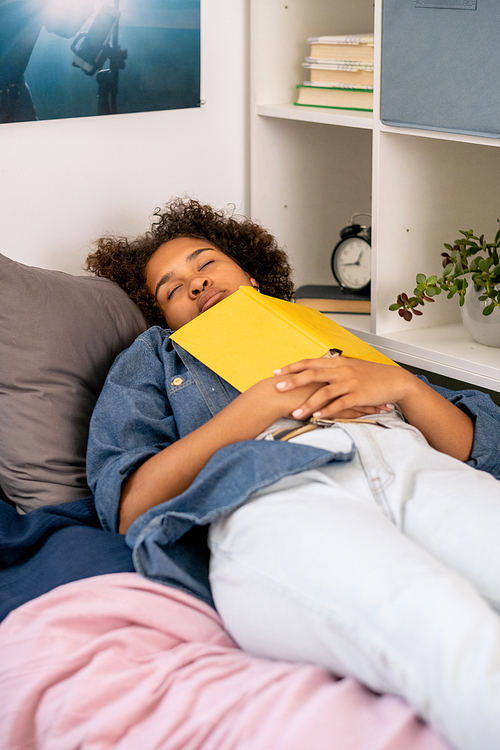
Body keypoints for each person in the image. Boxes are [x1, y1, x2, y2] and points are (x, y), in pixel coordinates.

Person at [86, 197, 500, 750]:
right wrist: (255, 408)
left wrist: (403, 387)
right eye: (170, 287)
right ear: (161, 315)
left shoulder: (313, 327)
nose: (195, 284)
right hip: (273, 490)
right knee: (444, 625)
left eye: (206, 263)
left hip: (407, 460)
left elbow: (480, 449)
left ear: (250, 275)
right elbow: (130, 504)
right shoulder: (154, 357)